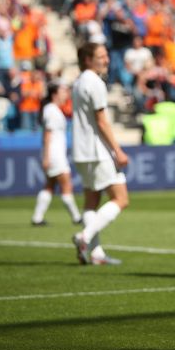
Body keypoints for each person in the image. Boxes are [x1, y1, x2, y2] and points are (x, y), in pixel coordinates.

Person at [71, 43, 129, 266]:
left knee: (91, 202)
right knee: (121, 199)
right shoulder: (94, 82)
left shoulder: (79, 82)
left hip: (81, 150)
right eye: (101, 56)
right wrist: (118, 150)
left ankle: (95, 254)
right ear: (87, 59)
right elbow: (102, 121)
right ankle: (84, 237)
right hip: (96, 150)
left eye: (106, 56)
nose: (106, 60)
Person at [31, 81, 83, 226]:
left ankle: (37, 217)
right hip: (55, 154)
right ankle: (76, 217)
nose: (66, 93)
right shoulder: (52, 110)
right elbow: (47, 135)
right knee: (66, 184)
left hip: (54, 153)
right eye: (63, 90)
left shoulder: (52, 109)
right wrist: (47, 157)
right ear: (55, 94)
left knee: (49, 185)